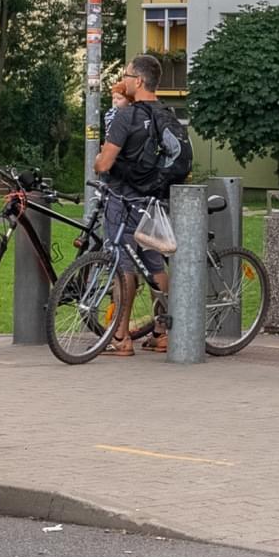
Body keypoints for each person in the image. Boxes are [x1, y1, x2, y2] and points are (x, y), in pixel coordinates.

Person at [93, 57, 174, 357]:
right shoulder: (167, 115)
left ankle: (121, 336)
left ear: (138, 81)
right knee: (155, 264)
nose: (123, 79)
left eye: (126, 75)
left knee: (122, 266)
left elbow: (104, 164)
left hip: (123, 200)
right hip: (153, 203)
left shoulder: (125, 116)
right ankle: (161, 333)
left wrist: (98, 160)